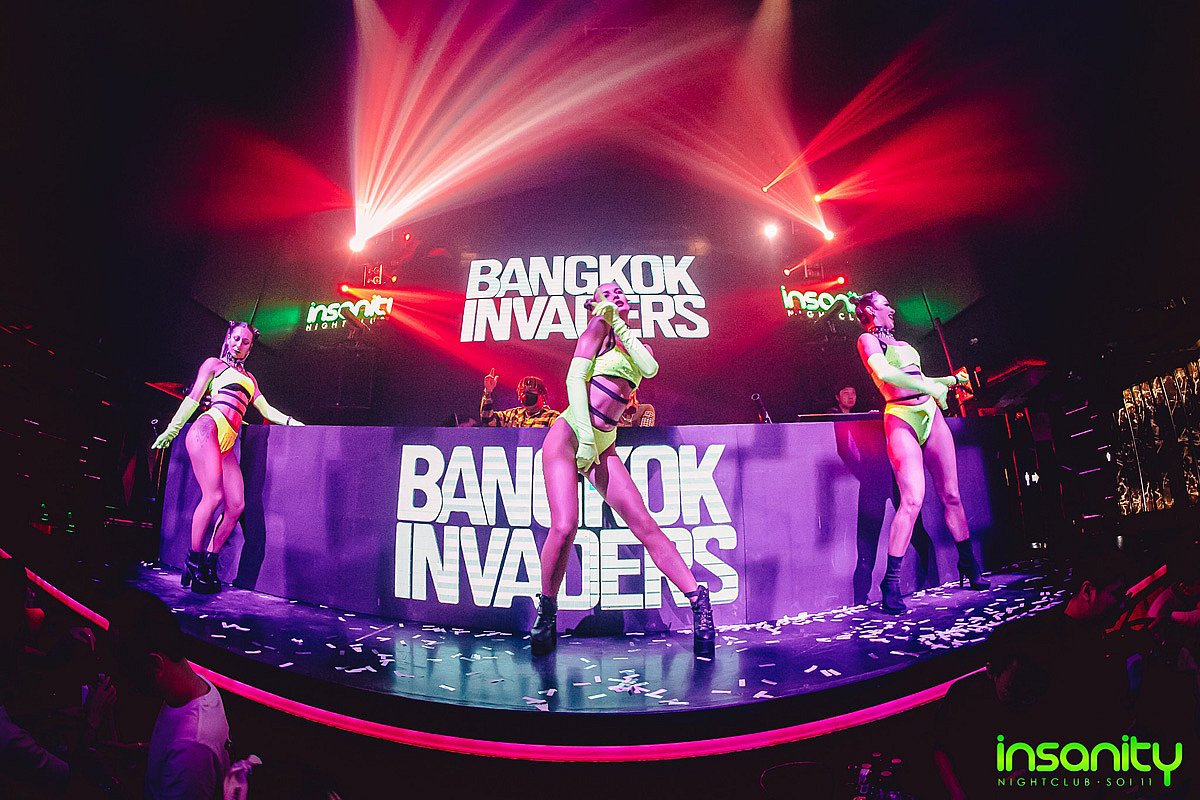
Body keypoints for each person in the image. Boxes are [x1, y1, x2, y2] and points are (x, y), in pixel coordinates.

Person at [531, 282, 714, 654]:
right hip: (568, 435)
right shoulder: (594, 331)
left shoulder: (636, 344)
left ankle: (698, 600)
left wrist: (619, 323)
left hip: (605, 443)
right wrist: (584, 438)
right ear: (594, 304)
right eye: (607, 294)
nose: (616, 296)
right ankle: (547, 611)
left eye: (620, 293)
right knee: (565, 527)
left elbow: (650, 367)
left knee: (644, 524)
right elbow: (573, 380)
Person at [852, 291, 987, 614]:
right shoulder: (867, 341)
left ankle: (968, 564)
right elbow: (886, 375)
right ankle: (891, 583)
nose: (892, 309)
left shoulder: (901, 344)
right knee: (912, 500)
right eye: (886, 304)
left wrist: (950, 381)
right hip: (901, 416)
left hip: (930, 413)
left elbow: (917, 378)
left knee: (951, 494)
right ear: (870, 309)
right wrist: (931, 388)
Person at [152, 321, 303, 595]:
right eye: (236, 339)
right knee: (213, 496)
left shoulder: (251, 380)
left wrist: (292, 422)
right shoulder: (214, 365)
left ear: (250, 348)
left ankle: (209, 561)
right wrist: (171, 430)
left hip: (227, 443)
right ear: (228, 338)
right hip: (207, 429)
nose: (239, 345)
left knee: (236, 505)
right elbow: (193, 399)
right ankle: (193, 562)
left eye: (245, 342)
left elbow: (266, 410)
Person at [109, 590, 231, 800]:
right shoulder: (194, 687)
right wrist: (140, 750)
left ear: (155, 665)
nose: (120, 676)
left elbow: (185, 753)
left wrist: (106, 781)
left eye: (124, 666)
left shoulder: (192, 750)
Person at [829, 383, 939, 604]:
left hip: (888, 476)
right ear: (837, 396)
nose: (851, 396)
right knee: (869, 541)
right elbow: (844, 450)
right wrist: (863, 474)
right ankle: (861, 598)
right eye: (846, 393)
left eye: (853, 392)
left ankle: (933, 581)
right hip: (877, 477)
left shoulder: (876, 412)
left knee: (908, 531)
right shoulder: (843, 416)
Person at [480, 371, 560, 427]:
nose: (526, 395)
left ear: (542, 395)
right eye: (523, 391)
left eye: (531, 391)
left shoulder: (552, 416)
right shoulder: (512, 415)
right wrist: (488, 391)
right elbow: (488, 420)